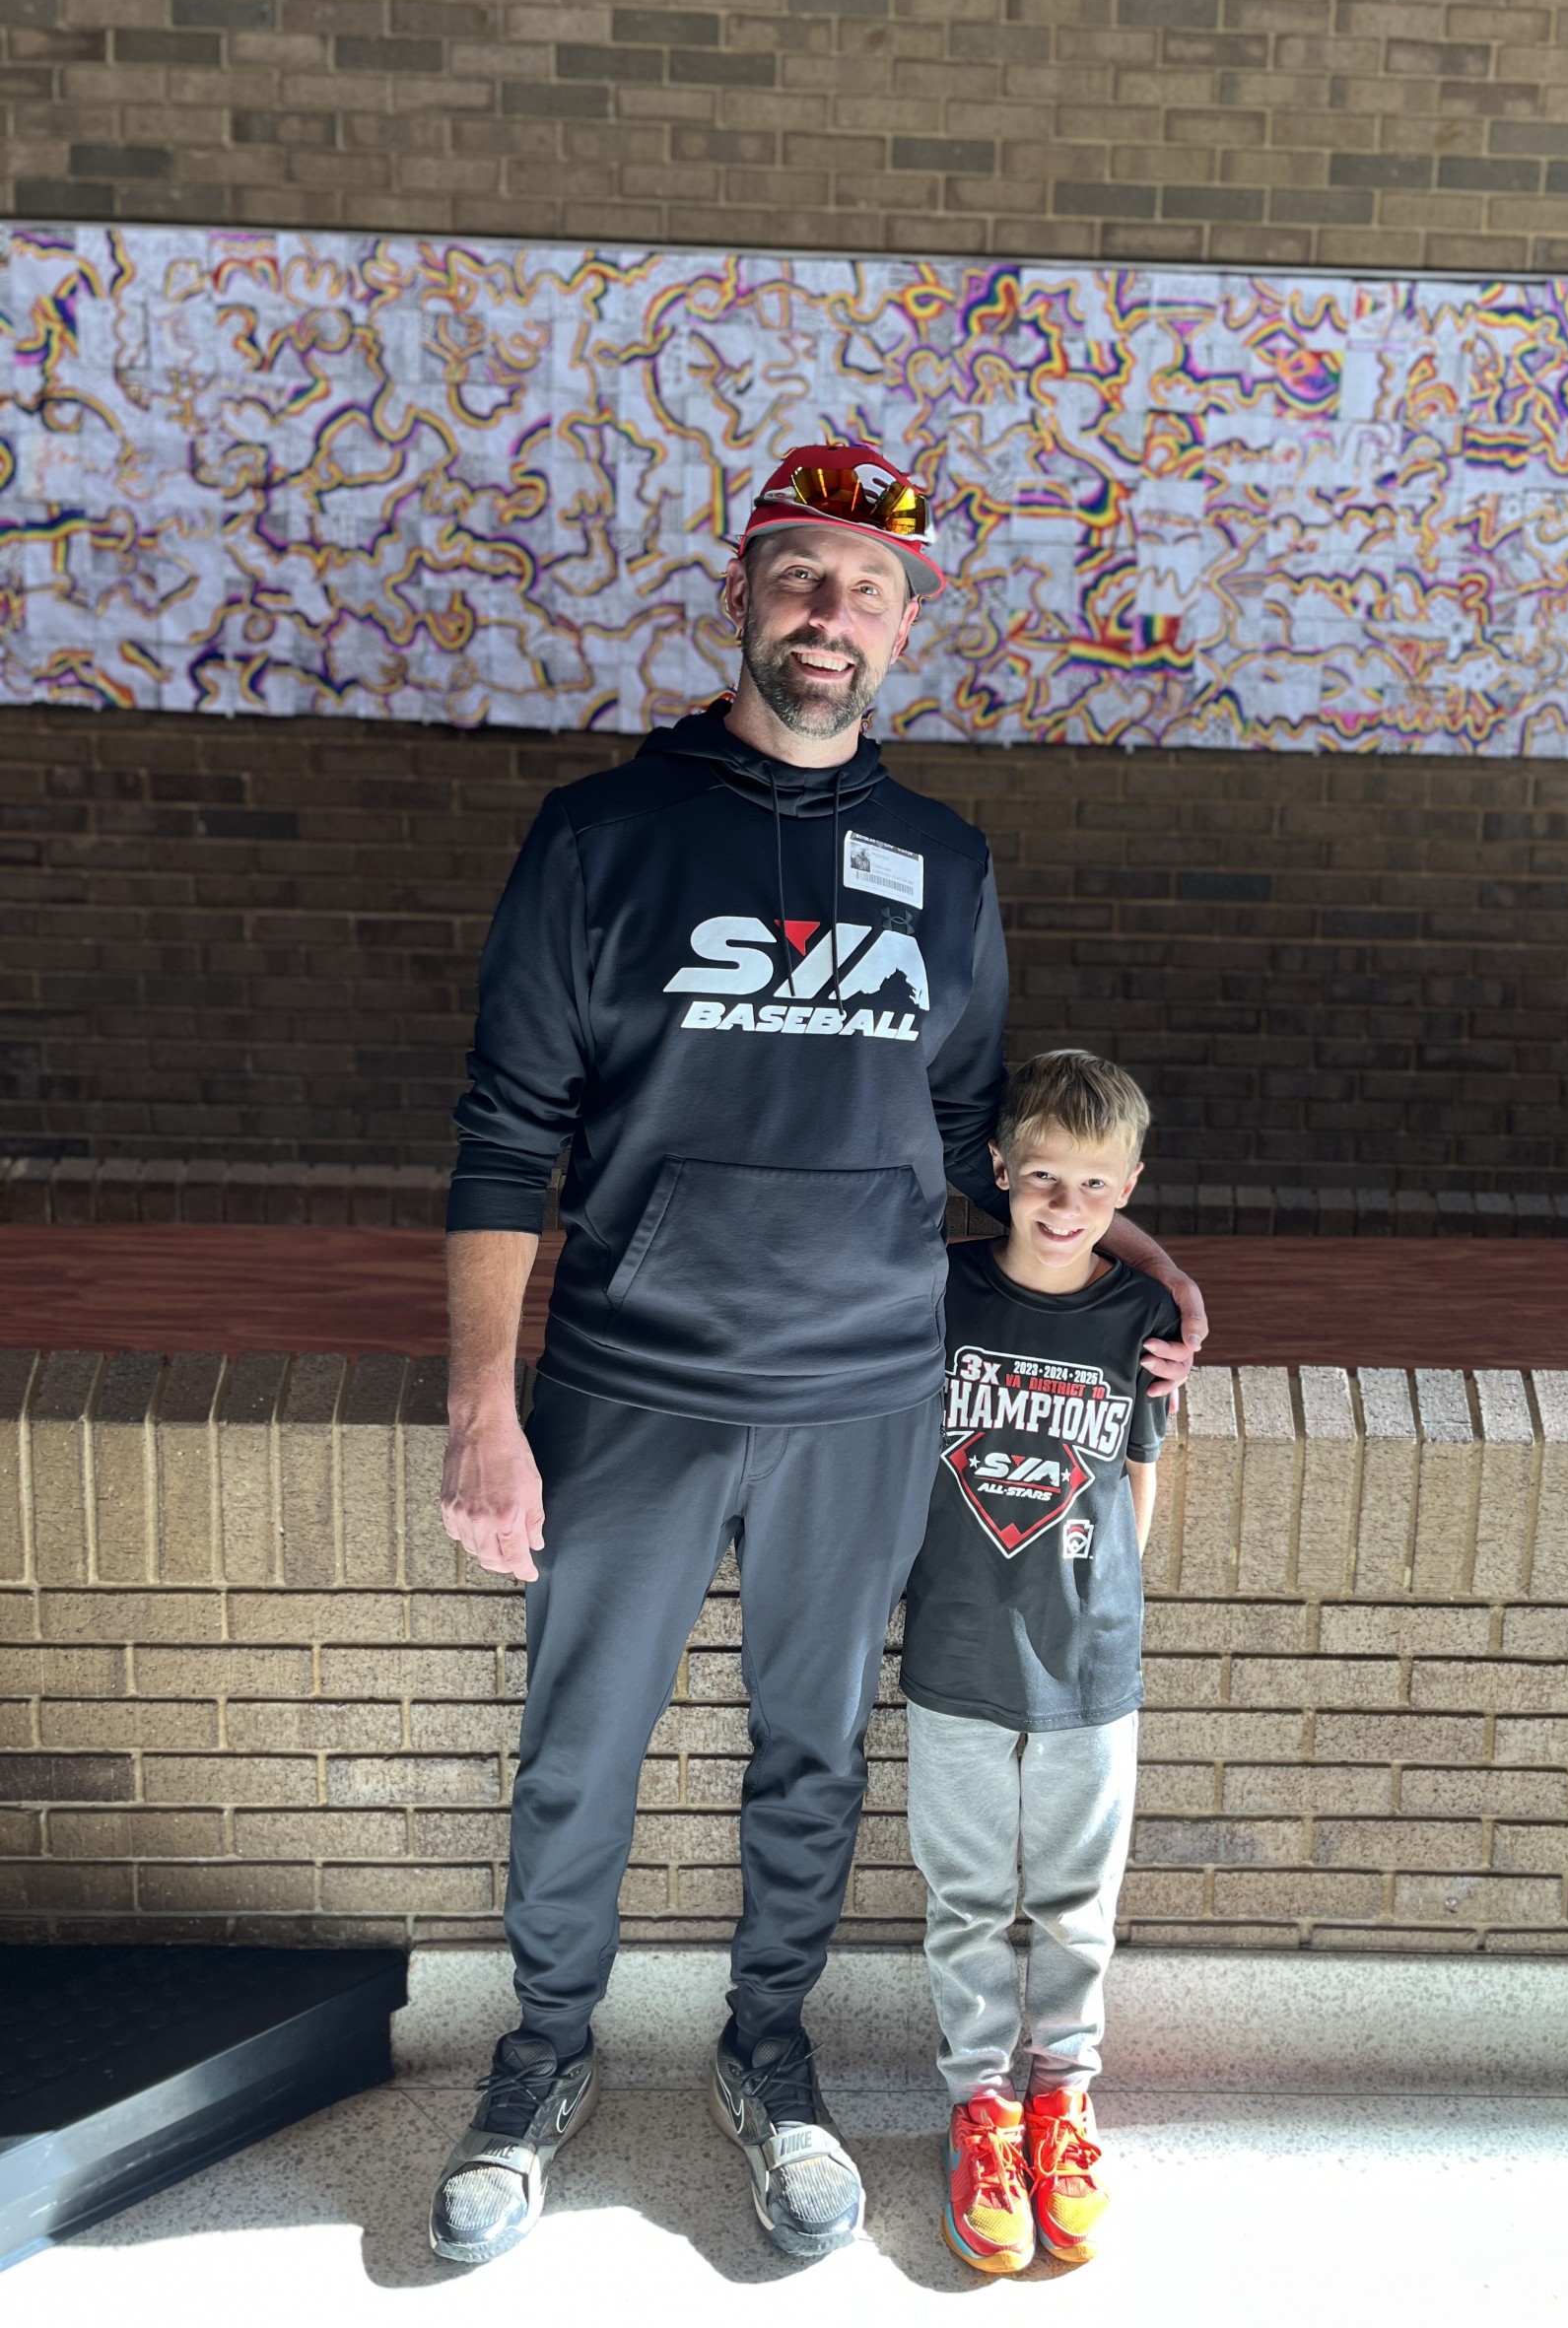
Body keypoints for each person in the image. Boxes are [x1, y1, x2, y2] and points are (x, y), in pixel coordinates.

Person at [427, 439, 1206, 2269]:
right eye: (799, 575)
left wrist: (1122, 1269)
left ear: (906, 623)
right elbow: (499, 1133)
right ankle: (540, 2056)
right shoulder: (603, 835)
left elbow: (968, 1144)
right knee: (580, 1746)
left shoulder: (942, 861)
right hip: (632, 1377)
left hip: (866, 1390)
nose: (828, 614)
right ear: (744, 595)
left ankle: (770, 2057)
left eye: (864, 586)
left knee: (811, 1753)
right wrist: (486, 1408)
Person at [899, 1048, 1177, 2275]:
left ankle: (1061, 2103)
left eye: (1094, 1184)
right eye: (1044, 1176)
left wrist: (1110, 1606)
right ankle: (978, 2108)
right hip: (955, 1645)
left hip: (1087, 1664)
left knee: (1073, 1905)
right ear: (1000, 1167)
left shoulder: (1140, 1317)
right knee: (965, 1897)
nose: (1066, 1205)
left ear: (1127, 1188)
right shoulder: (939, 1289)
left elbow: (1137, 1477)